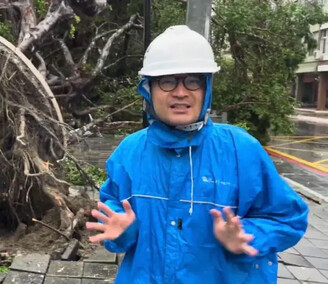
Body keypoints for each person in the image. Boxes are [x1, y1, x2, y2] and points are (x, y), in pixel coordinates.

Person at [85, 25, 309, 283]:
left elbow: (288, 217)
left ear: (207, 88)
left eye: (193, 80)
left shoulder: (241, 150)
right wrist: (122, 231)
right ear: (149, 89)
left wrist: (248, 234)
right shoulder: (130, 151)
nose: (181, 92)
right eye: (167, 81)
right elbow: (113, 209)